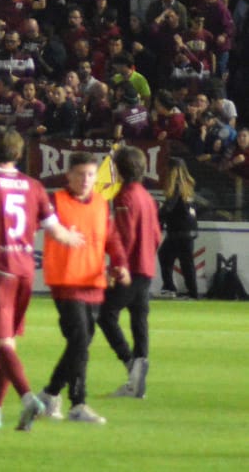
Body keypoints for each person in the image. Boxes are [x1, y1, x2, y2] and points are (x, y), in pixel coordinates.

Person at [0, 128, 85, 431]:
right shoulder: (34, 187)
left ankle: (28, 398)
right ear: (18, 154)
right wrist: (73, 237)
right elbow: (55, 231)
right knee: (9, 343)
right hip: (26, 272)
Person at [37, 153, 129, 425]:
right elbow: (31, 225)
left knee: (82, 343)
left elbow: (111, 238)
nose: (86, 180)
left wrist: (120, 264)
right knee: (79, 340)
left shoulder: (101, 204)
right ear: (68, 176)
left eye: (90, 175)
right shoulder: (55, 202)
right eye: (80, 174)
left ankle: (58, 396)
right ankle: (69, 400)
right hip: (66, 281)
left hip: (94, 281)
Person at [98, 146, 159, 400]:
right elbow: (156, 235)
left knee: (105, 314)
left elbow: (123, 236)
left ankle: (131, 365)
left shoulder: (124, 197)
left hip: (130, 268)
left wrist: (116, 268)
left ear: (118, 170)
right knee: (139, 321)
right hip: (145, 267)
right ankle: (138, 378)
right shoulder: (146, 196)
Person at [157, 159, 199, 298]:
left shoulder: (175, 186)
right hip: (188, 230)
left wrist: (157, 215)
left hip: (178, 231)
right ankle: (188, 291)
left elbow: (169, 208)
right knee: (183, 260)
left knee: (168, 256)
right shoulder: (187, 186)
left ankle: (173, 288)